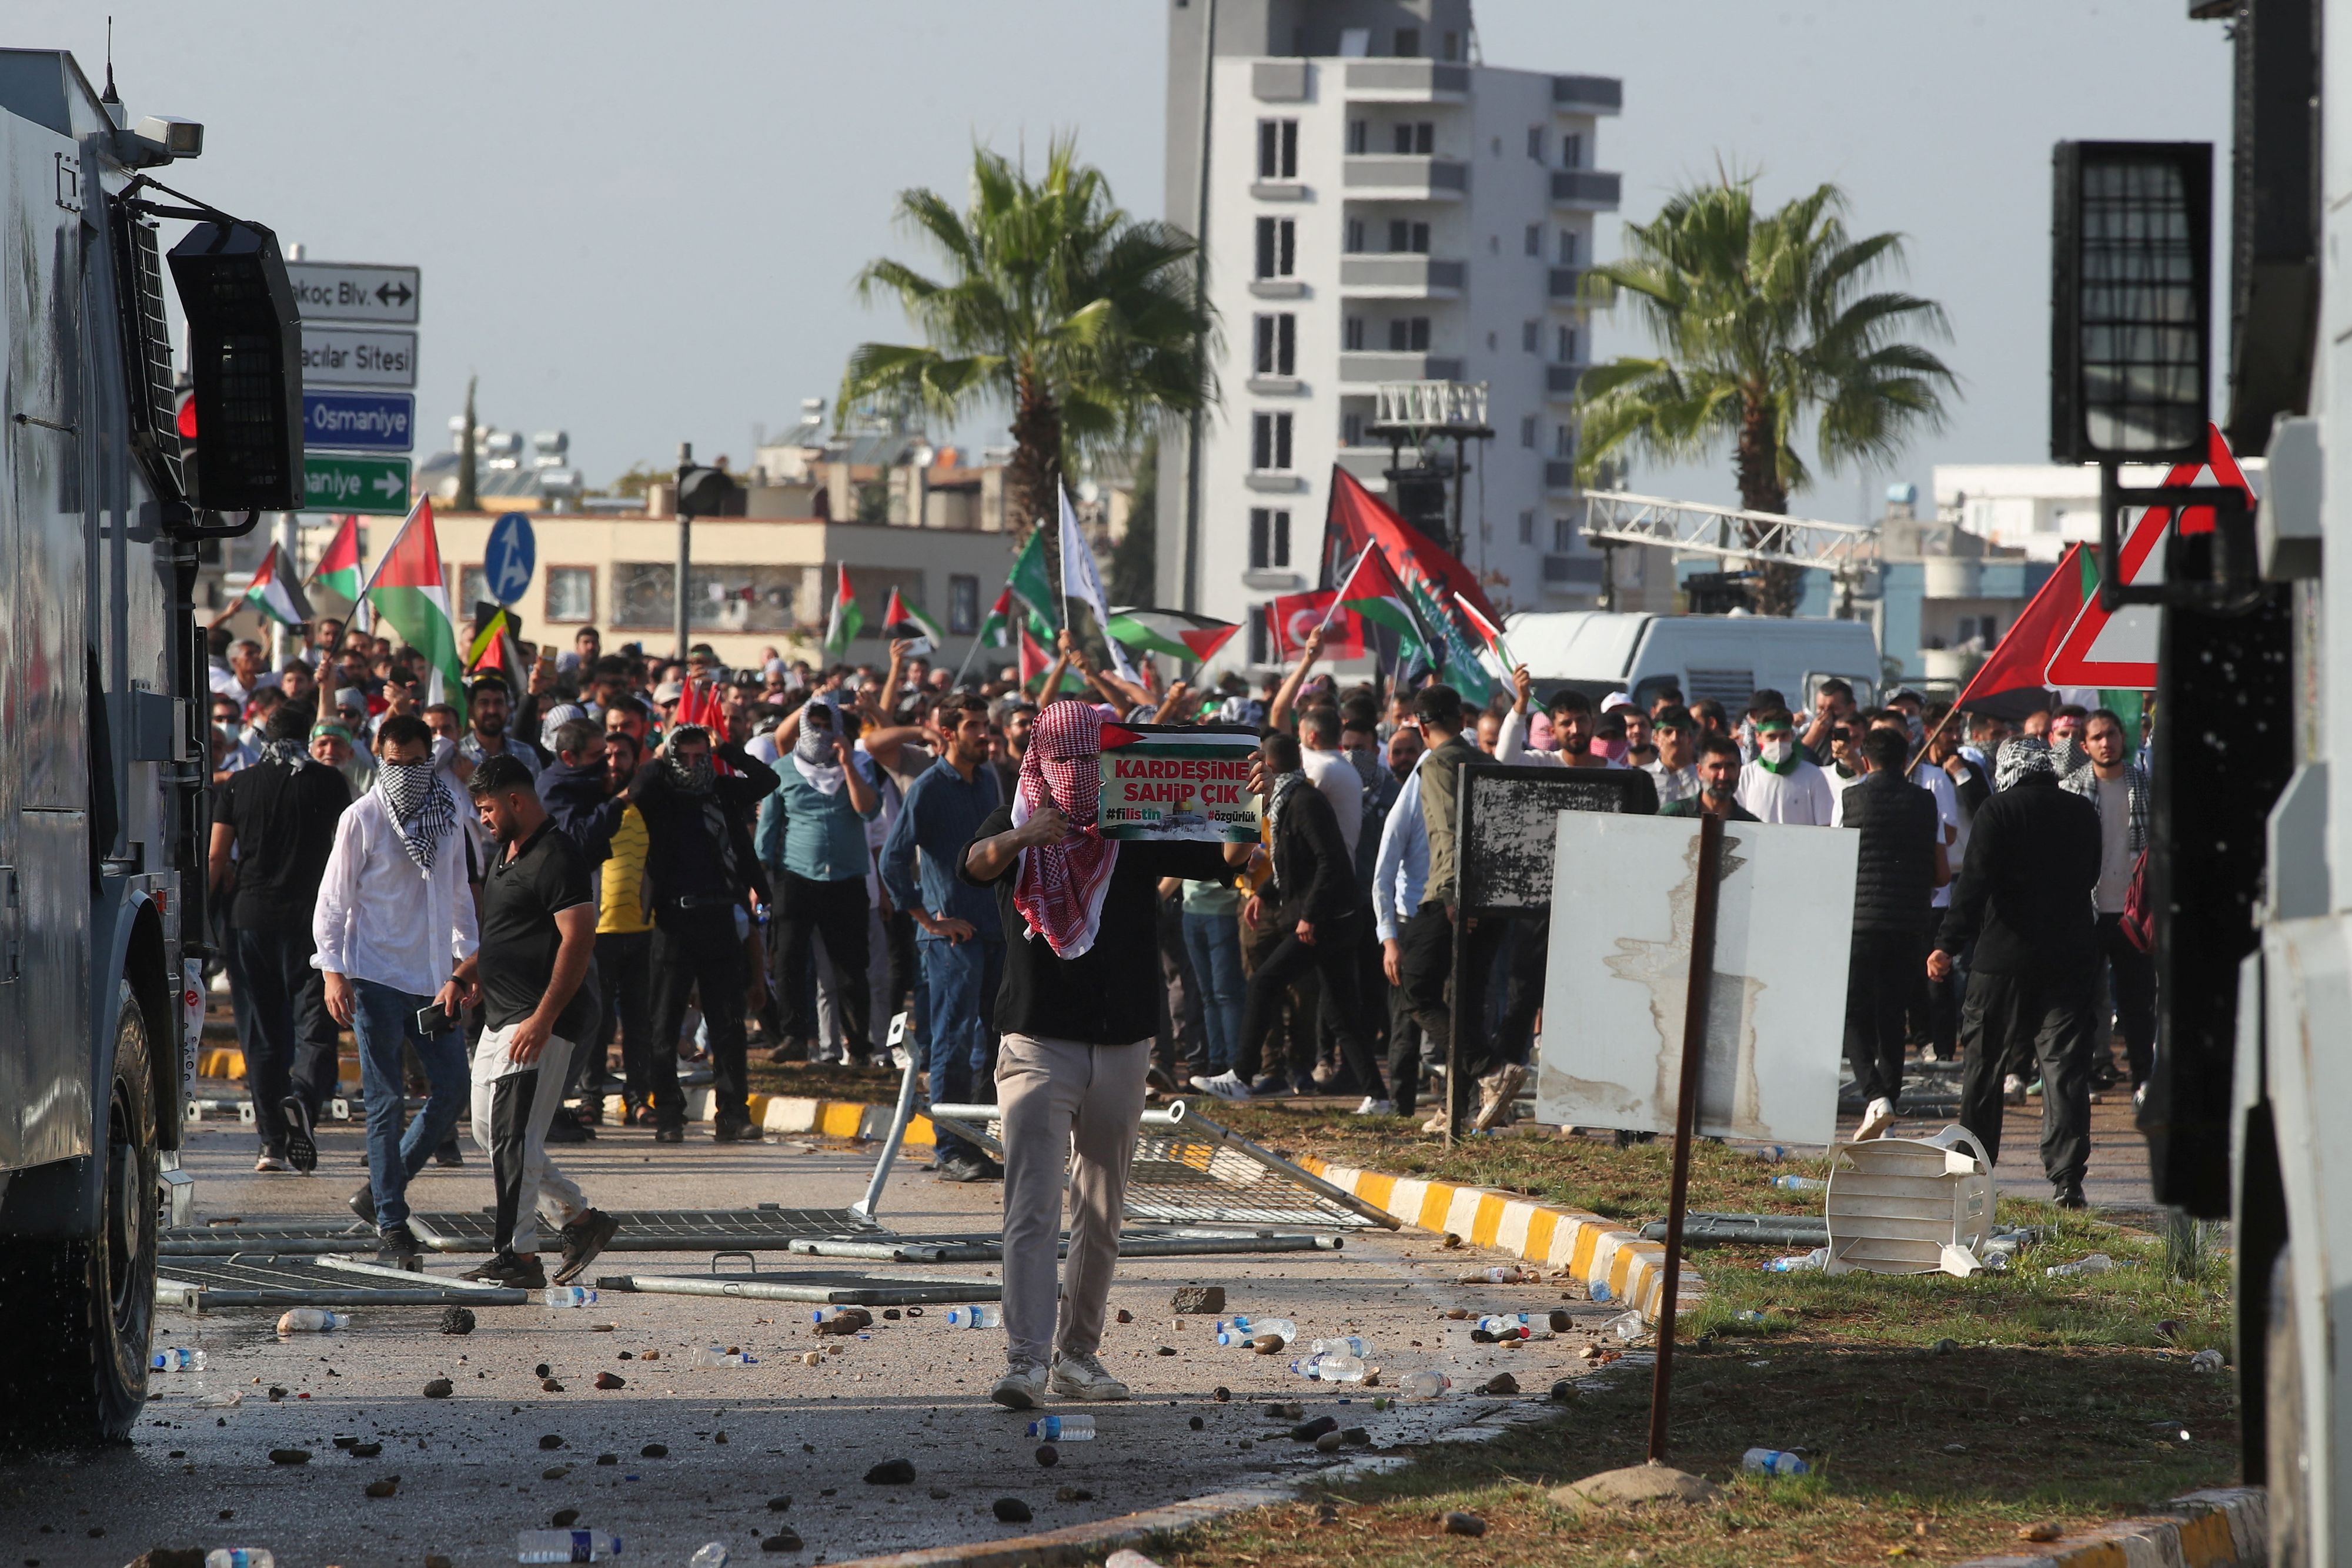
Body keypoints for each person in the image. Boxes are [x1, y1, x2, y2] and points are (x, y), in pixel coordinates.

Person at [958, 701, 1253, 1410]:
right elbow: (972, 865)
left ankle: (1077, 1356)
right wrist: (1026, 836)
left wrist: (1246, 806)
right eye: (1066, 759)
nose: (1080, 774)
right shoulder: (1014, 818)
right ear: (1040, 759)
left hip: (1122, 1041)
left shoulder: (1133, 824)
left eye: (1093, 759)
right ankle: (1025, 1360)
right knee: (1032, 1208)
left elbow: (1222, 858)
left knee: (1100, 1209)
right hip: (1037, 1041)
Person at [313, 716, 478, 1261]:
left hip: (432, 981)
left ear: (430, 759)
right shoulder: (362, 817)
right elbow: (333, 899)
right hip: (376, 976)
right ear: (380, 759)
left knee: (452, 1088)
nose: (405, 773)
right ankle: (391, 1218)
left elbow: (459, 894)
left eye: (415, 763)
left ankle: (382, 1189)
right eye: (394, 763)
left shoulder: (448, 814)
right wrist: (333, 970)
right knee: (386, 1100)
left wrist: (467, 963)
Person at [455, 756, 618, 1288]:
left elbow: (579, 938)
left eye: (487, 808)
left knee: (515, 1139)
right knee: (490, 1131)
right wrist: (464, 975)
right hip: (499, 1017)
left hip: (539, 1021)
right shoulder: (506, 855)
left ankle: (518, 1256)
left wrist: (544, 1019)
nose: (483, 818)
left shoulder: (558, 854)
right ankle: (580, 1220)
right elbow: (504, 936)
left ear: (516, 800)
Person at [1932, 738, 2103, 1208]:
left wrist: (1947, 943)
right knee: (2064, 1068)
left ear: (2007, 769)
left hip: (2002, 959)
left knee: (1985, 1065)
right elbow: (2091, 874)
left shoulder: (1998, 810)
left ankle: (1973, 1169)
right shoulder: (2082, 811)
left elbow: (1974, 882)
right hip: (2070, 956)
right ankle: (2068, 1179)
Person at [1199, 731, 1389, 1112]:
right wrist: (1263, 895)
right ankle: (1380, 1097)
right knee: (1341, 1014)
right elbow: (1292, 864)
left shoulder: (1305, 802)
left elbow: (1331, 862)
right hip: (1330, 919)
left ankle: (1241, 1077)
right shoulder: (1289, 800)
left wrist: (1309, 916)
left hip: (1326, 923)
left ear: (1269, 767)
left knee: (1264, 981)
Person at [209, 703, 351, 1174]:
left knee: (261, 1034)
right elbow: (346, 852)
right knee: (316, 1026)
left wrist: (203, 919)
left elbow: (216, 857)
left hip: (249, 922)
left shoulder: (239, 784)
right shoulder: (329, 782)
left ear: (264, 736)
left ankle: (271, 1141)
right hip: (313, 925)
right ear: (307, 736)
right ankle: (303, 1100)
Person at [630, 722, 780, 1141]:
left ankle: (733, 1114)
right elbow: (638, 790)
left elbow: (767, 780)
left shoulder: (721, 790)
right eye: (685, 757)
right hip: (673, 921)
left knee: (728, 1023)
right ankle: (669, 1115)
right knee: (665, 1023)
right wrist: (662, 754)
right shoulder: (662, 794)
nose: (693, 765)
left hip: (719, 916)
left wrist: (726, 750)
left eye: (701, 757)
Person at [879, 693, 1006, 1182]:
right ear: (948, 732)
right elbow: (893, 859)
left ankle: (975, 1143)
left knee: (994, 1044)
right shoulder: (929, 786)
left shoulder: (988, 779)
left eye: (985, 723)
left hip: (995, 932)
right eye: (973, 725)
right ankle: (950, 1147)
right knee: (952, 1043)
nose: (984, 733)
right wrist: (929, 920)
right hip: (952, 941)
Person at [757, 696, 881, 1070]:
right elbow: (768, 831)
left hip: (846, 879)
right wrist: (757, 881)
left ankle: (858, 1046)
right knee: (789, 961)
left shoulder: (859, 765)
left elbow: (869, 810)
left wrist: (848, 765)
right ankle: (794, 1037)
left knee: (850, 969)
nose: (823, 734)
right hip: (796, 877)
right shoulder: (783, 769)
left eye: (829, 726)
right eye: (816, 726)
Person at [1839, 726, 1948, 1141]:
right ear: (1906, 761)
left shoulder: (1849, 798)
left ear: (1865, 761)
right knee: (1892, 1016)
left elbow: (1835, 859)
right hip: (1909, 924)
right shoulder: (1926, 801)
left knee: (1852, 1013)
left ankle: (1875, 1095)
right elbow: (1942, 872)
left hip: (1859, 923)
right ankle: (1887, 1107)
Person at [2064, 707, 2156, 1097]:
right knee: (2082, 1001)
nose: (2107, 743)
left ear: (2124, 738)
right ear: (2085, 746)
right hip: (2087, 911)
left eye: (2112, 734)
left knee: (2138, 1003)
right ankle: (2083, 1077)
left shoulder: (2145, 785)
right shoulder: (2071, 790)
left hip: (2133, 914)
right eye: (2097, 737)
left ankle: (2144, 1079)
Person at [593, 731, 657, 1124]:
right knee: (597, 1022)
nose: (614, 763)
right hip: (596, 932)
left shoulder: (651, 806)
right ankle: (590, 1098)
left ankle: (638, 1098)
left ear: (636, 761)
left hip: (643, 931)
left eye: (622, 755)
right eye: (608, 755)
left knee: (639, 1022)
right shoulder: (592, 806)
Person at [1734, 708, 1837, 825]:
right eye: (1772, 737)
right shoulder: (1745, 776)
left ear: (1792, 736)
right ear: (1758, 737)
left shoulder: (1814, 776)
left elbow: (1826, 826)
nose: (1778, 742)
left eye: (1784, 736)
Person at [1658, 733, 1759, 821]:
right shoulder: (1672, 816)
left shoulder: (1751, 825)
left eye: (1730, 767)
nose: (1723, 776)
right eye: (1716, 767)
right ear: (1700, 771)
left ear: (1739, 770)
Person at [461, 678, 540, 779]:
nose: (492, 711)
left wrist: (472, 778)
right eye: (484, 703)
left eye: (498, 703)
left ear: (508, 709)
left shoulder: (526, 755)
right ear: (471, 711)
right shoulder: (460, 756)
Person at [1645, 706, 1702, 806]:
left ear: (1690, 739)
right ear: (1656, 739)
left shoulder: (1702, 779)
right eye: (1668, 732)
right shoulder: (1644, 778)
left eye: (1681, 733)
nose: (1674, 739)